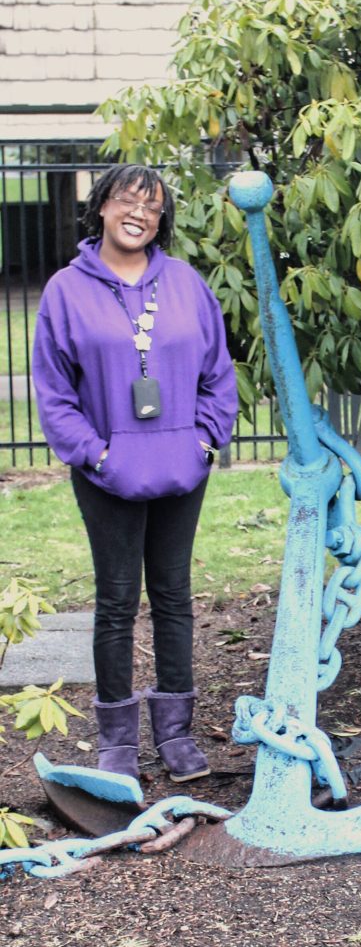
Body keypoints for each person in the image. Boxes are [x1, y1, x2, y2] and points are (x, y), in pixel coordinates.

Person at [32, 163, 238, 783]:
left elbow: (218, 375)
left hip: (181, 470)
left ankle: (176, 735)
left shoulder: (185, 284)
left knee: (174, 599)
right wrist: (96, 456)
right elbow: (54, 393)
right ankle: (116, 741)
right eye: (127, 199)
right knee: (116, 601)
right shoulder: (66, 291)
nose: (139, 213)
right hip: (107, 473)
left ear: (160, 220)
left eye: (152, 206)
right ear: (101, 206)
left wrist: (203, 444)